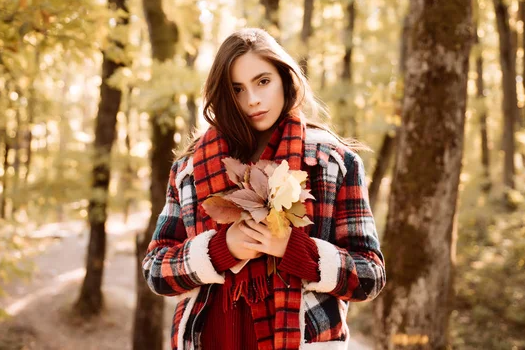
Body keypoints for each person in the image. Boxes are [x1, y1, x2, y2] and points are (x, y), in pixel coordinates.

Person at [142, 28, 386, 350]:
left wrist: (295, 250)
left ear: (285, 78)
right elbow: (156, 270)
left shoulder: (334, 164)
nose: (253, 99)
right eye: (237, 89)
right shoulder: (188, 171)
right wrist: (219, 250)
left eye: (263, 81)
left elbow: (370, 276)